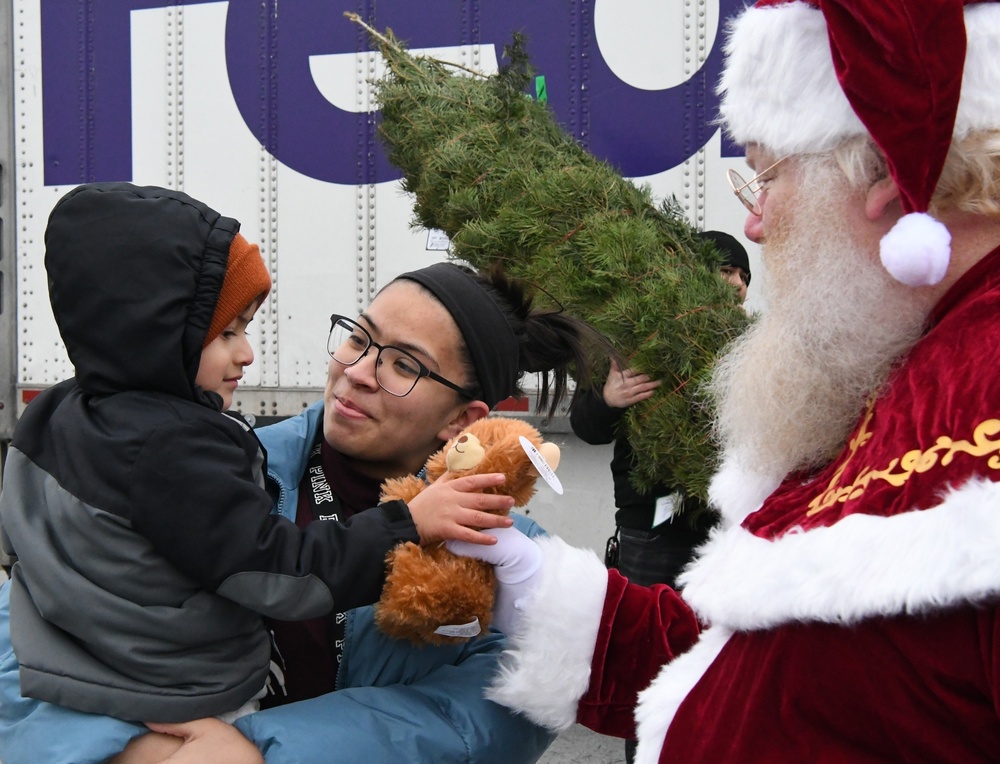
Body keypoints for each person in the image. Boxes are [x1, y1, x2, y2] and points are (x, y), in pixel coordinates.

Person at [450, 1, 1000, 761]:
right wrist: (528, 578)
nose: (758, 225)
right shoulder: (891, 374)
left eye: (766, 177)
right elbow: (745, 661)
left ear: (883, 172)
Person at [0, 241, 612, 761]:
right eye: (359, 340)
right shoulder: (207, 478)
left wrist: (260, 749)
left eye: (404, 365)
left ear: (462, 419)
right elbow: (24, 640)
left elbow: (495, 715)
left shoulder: (508, 556)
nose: (358, 372)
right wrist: (138, 750)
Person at [569, 230, 750, 763]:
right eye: (724, 270)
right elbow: (586, 425)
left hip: (732, 525)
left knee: (728, 659)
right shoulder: (636, 342)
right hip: (652, 531)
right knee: (653, 659)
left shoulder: (754, 348)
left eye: (742, 274)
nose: (736, 282)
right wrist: (608, 398)